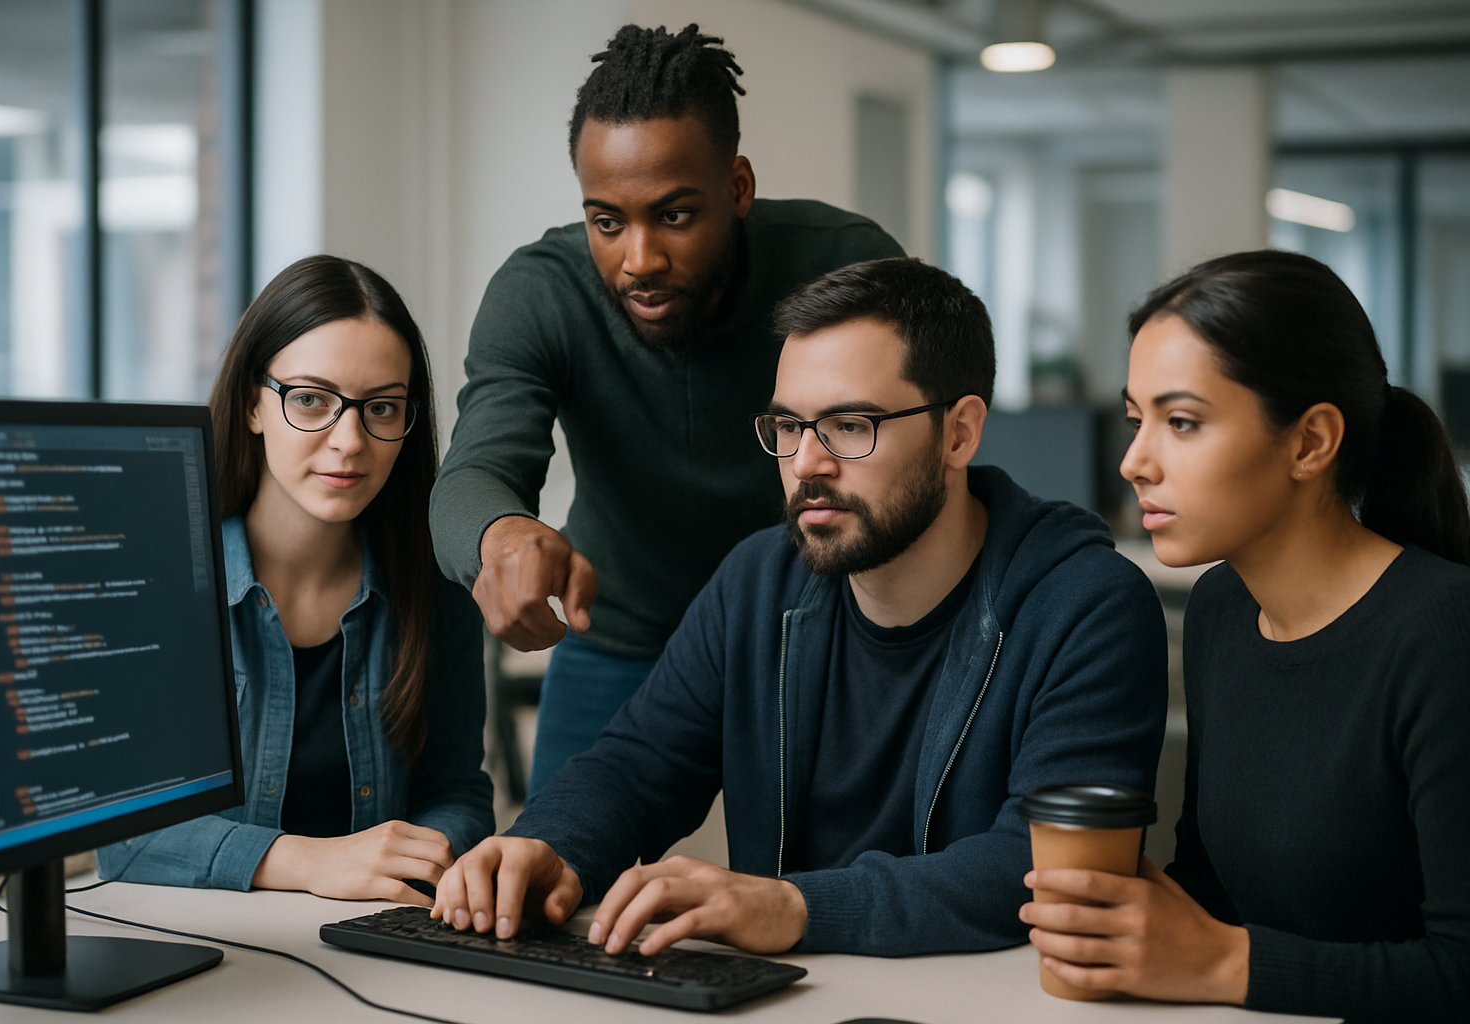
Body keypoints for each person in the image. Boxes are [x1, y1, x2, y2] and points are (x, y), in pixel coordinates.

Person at [430, 257, 1167, 957]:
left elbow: (1044, 866)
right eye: (788, 427)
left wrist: (793, 907)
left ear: (959, 431)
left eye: (850, 426)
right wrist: (547, 847)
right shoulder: (758, 580)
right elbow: (638, 765)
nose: (807, 464)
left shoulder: (1086, 605)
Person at [430, 24, 904, 796]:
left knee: (828, 895)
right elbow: (472, 473)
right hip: (619, 637)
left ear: (738, 187)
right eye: (606, 221)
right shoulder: (542, 293)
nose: (639, 259)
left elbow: (907, 460)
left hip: (819, 635)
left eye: (675, 215)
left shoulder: (844, 265)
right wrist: (503, 536)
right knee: (552, 878)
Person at [1020, 250, 1470, 1022]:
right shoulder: (1223, 610)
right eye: (1137, 420)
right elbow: (1213, 886)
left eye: (1182, 422)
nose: (1135, 461)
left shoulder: (1442, 634)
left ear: (1310, 442)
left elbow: (1459, 972)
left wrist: (1223, 962)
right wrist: (1127, 924)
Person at [98, 256, 495, 905]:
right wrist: (310, 863)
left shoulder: (436, 582)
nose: (349, 440)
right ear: (253, 404)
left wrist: (426, 854)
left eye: (383, 408)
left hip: (376, 939)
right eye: (311, 399)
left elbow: (455, 790)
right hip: (214, 950)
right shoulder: (160, 577)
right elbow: (125, 836)